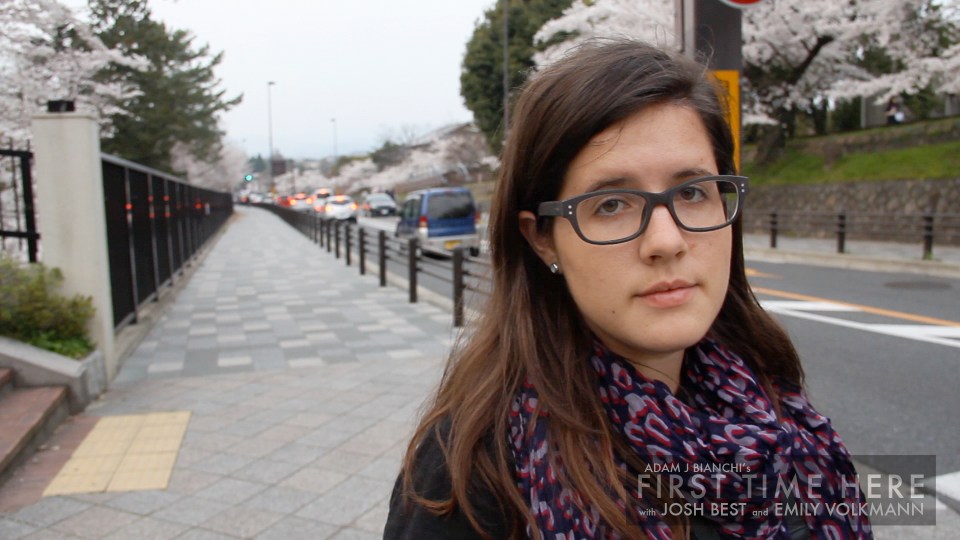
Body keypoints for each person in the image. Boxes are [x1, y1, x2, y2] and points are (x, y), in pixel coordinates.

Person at [384, 40, 872, 539]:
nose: (667, 240)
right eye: (612, 204)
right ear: (542, 238)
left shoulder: (771, 400)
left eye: (692, 192)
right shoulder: (473, 469)